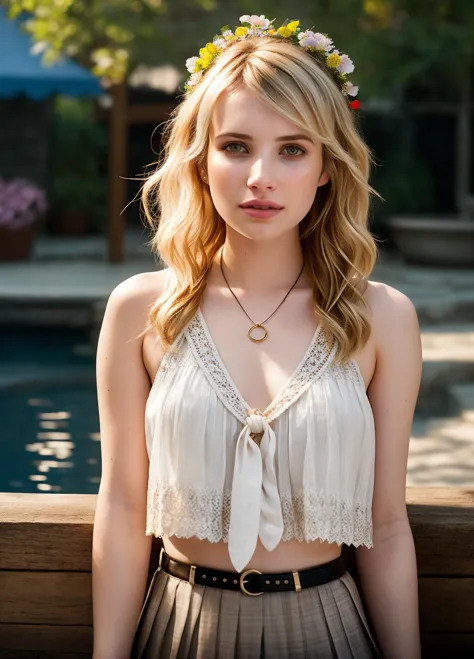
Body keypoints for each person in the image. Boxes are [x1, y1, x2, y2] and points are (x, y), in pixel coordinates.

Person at [92, 14, 423, 659]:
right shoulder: (141, 310)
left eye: (292, 149)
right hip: (178, 628)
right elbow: (124, 511)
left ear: (327, 166)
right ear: (201, 156)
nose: (259, 177)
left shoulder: (381, 317)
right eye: (236, 146)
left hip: (329, 629)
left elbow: (385, 522)